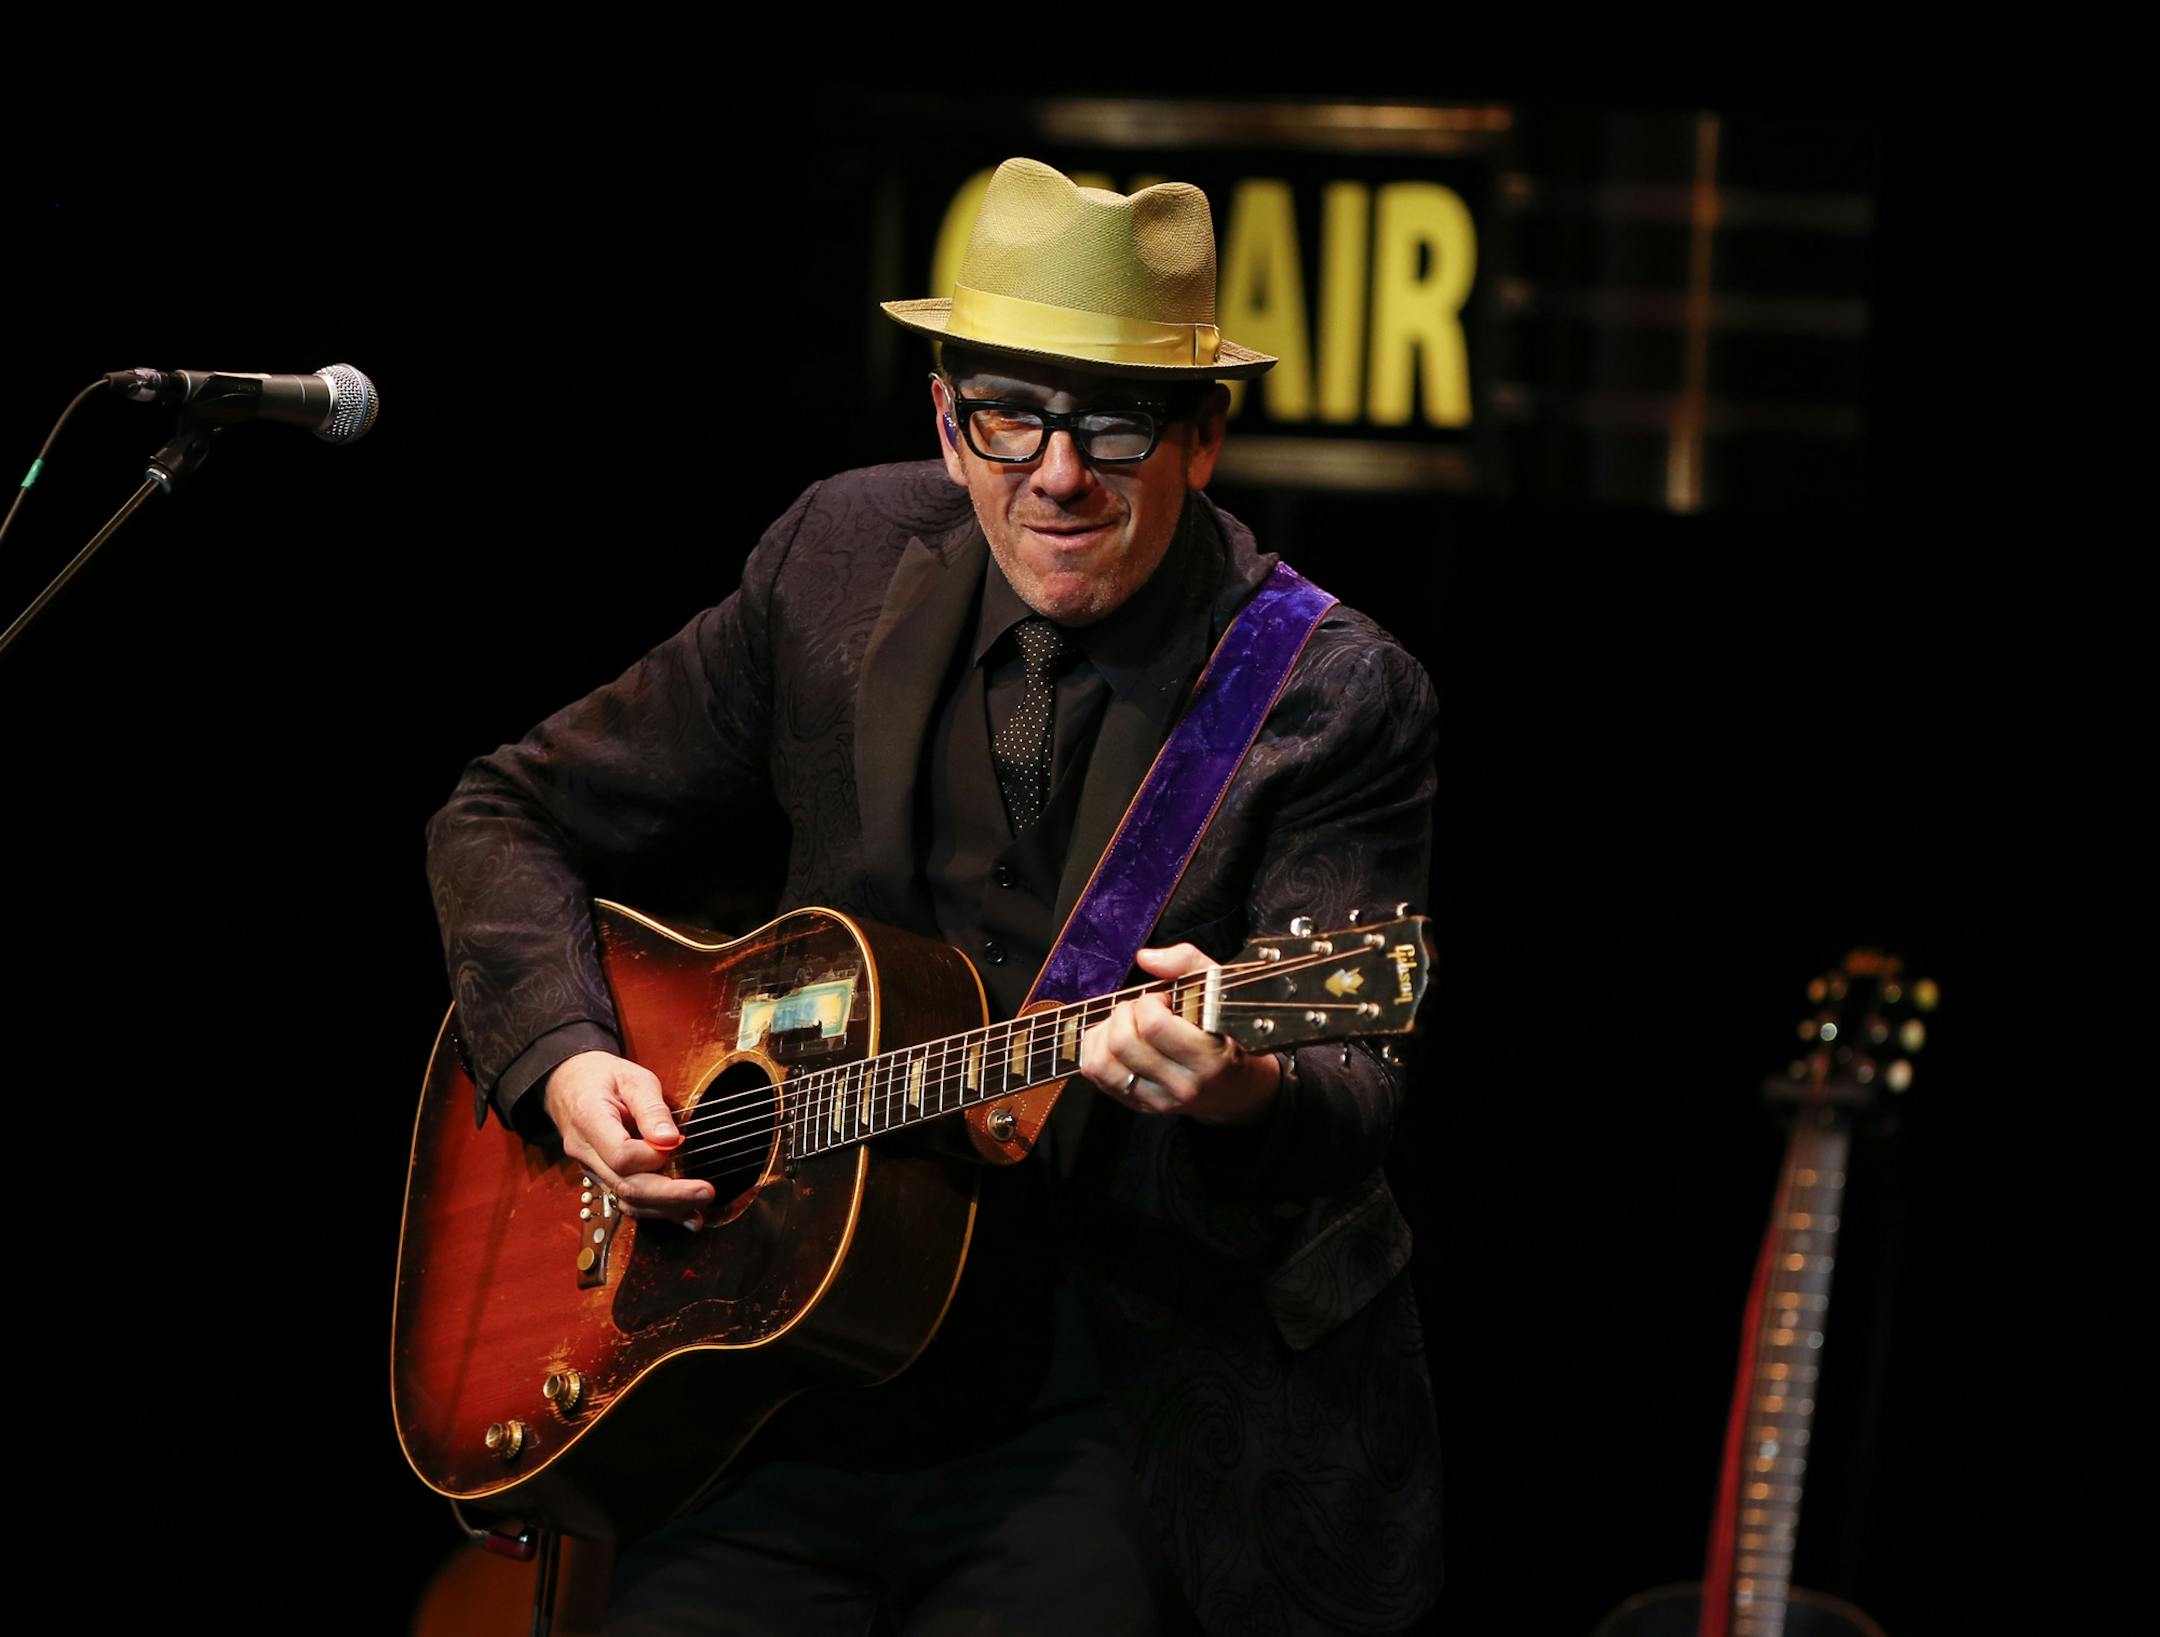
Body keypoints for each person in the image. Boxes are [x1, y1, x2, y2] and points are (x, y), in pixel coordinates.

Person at [427, 157, 1442, 1635]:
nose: (1058, 472)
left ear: (1204, 437)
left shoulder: (1327, 691)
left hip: (1108, 1399)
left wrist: (1245, 1087)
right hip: (769, 1383)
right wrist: (570, 1058)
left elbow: (1351, 1080)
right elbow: (499, 812)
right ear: (945, 422)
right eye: (1008, 414)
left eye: (1113, 418)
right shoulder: (837, 560)